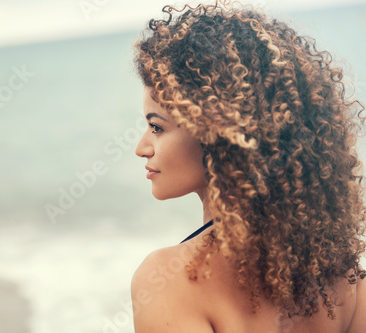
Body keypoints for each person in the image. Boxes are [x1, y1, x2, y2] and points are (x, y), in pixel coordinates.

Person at [131, 1, 366, 332]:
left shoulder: (169, 281)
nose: (141, 148)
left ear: (218, 135)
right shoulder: (349, 281)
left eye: (157, 127)